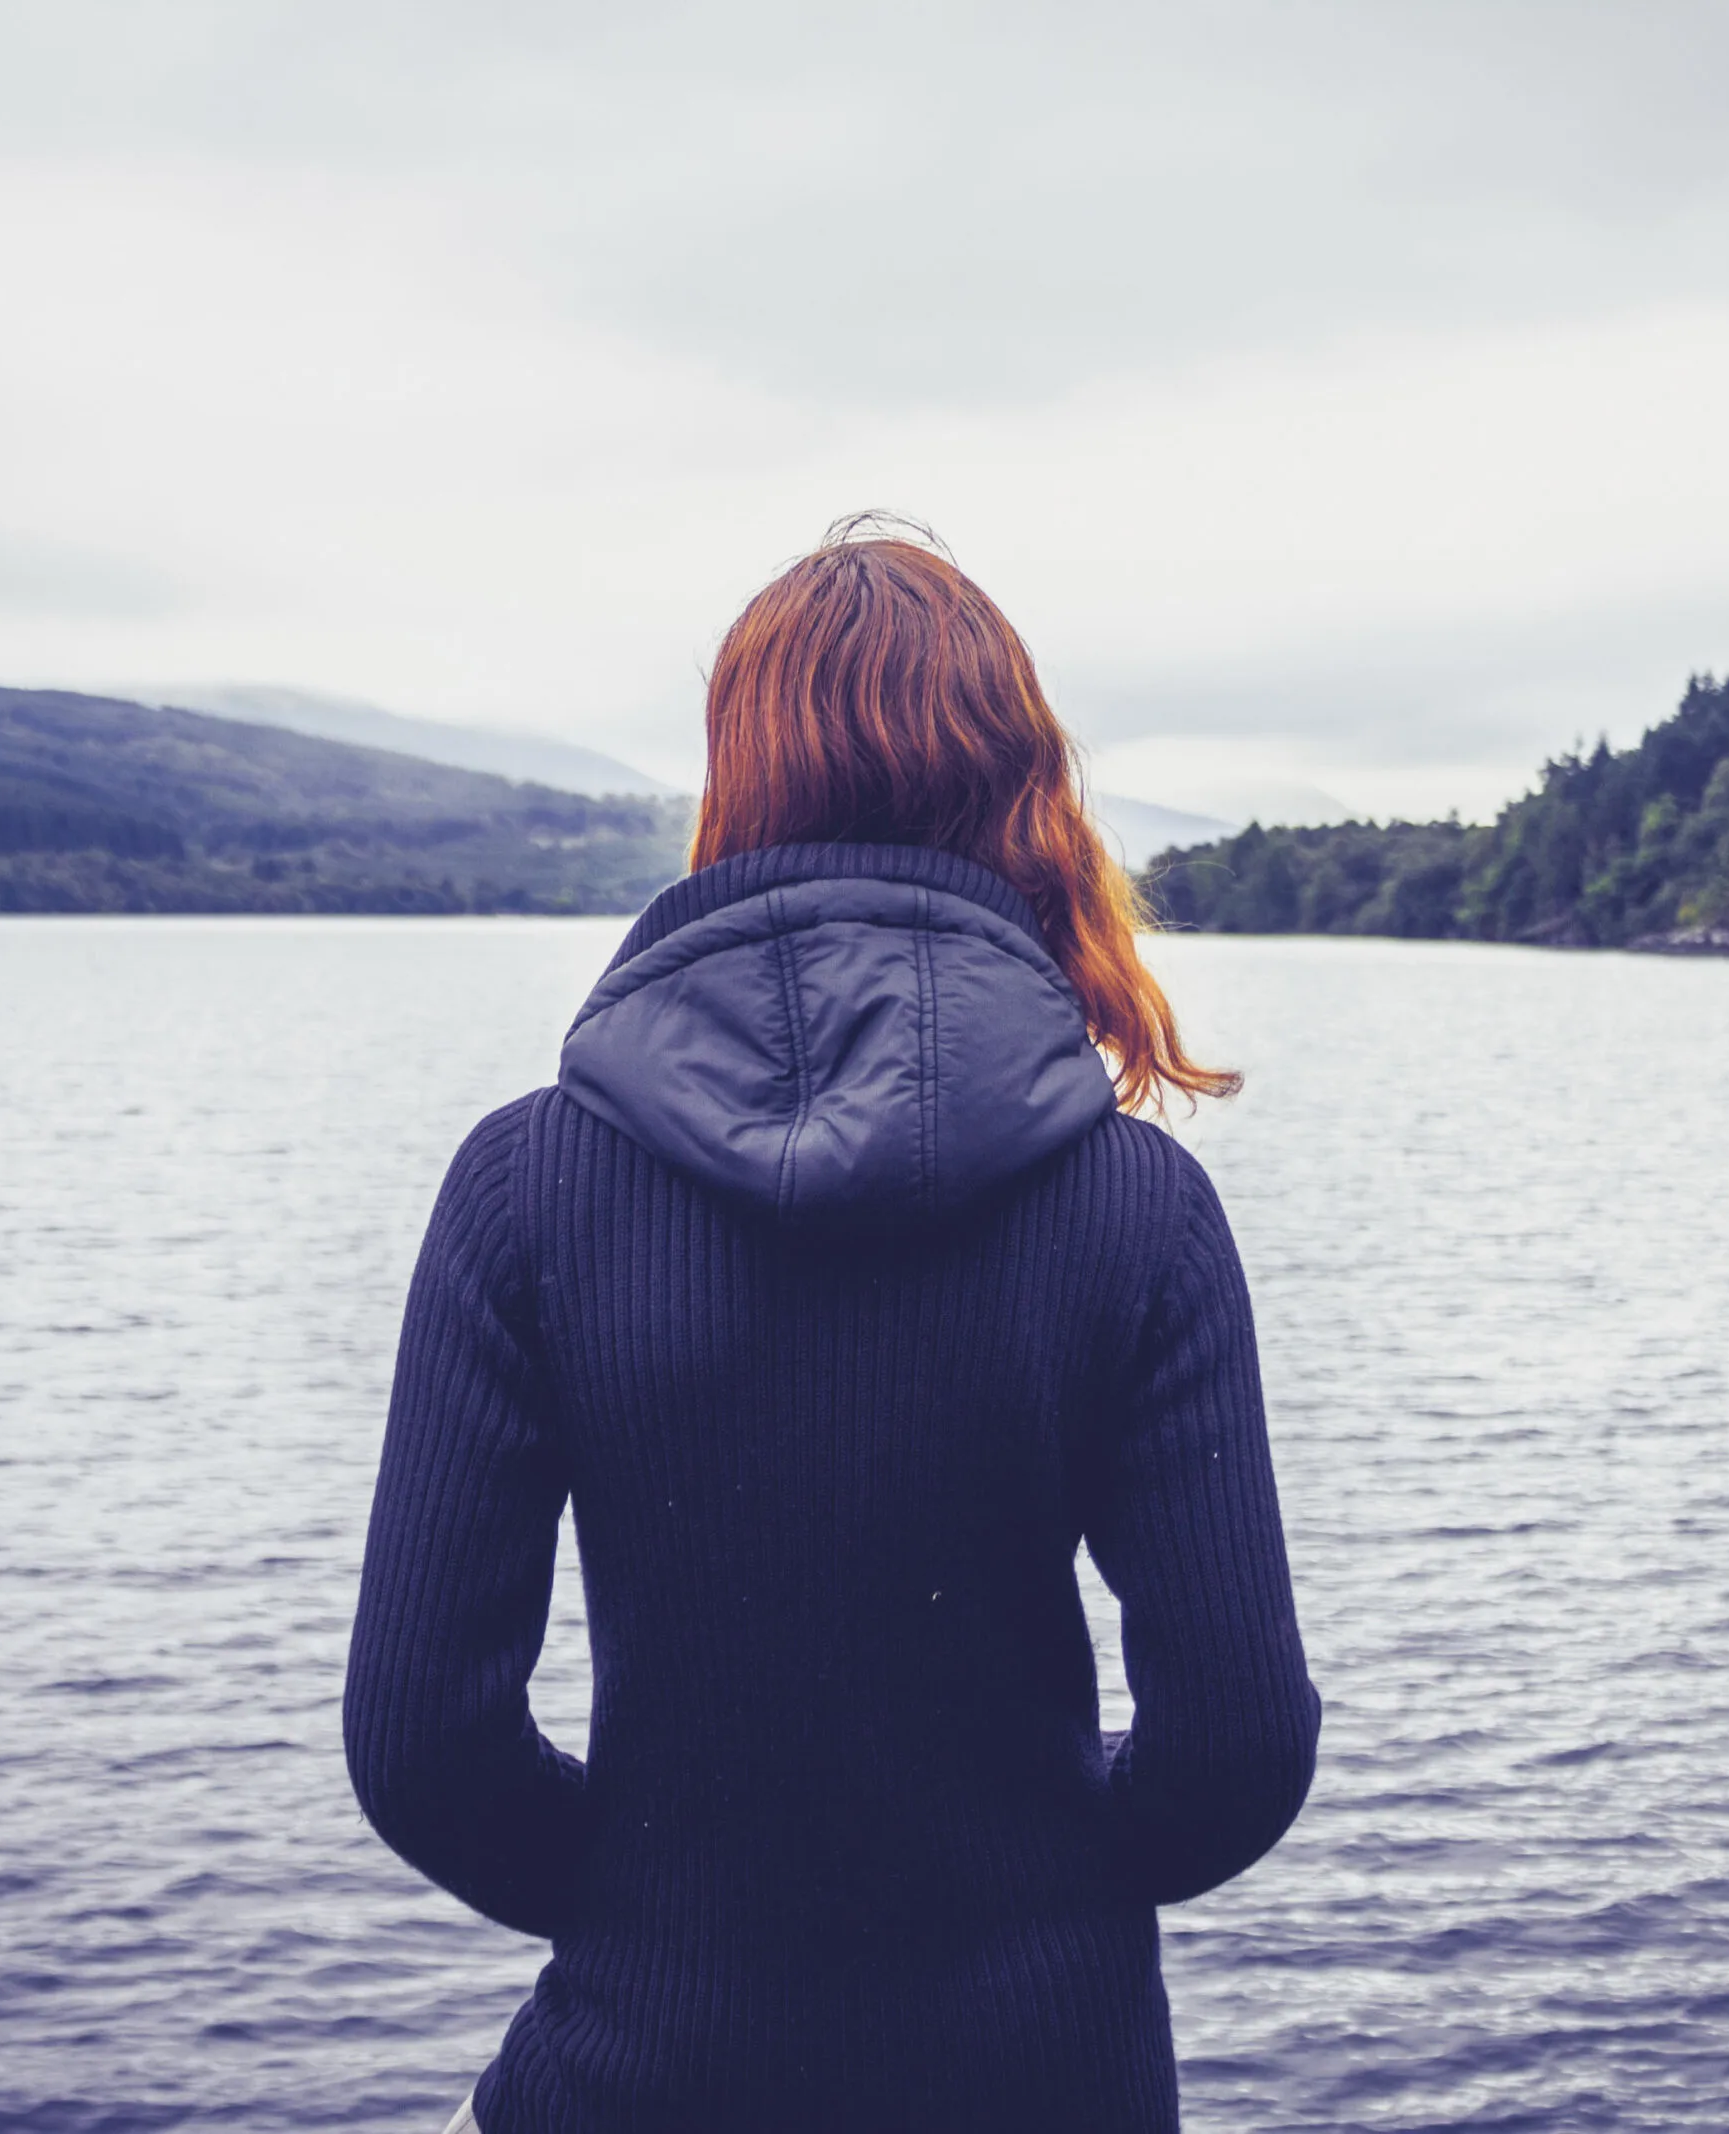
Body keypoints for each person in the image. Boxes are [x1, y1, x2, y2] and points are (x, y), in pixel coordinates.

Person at [343, 522, 1320, 2133]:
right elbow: (1238, 1747)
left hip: (647, 2076)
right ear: (1022, 798)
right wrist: (1039, 1893)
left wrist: (659, 1908)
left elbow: (419, 1742)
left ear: (734, 787)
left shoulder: (522, 1189)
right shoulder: (1140, 1211)